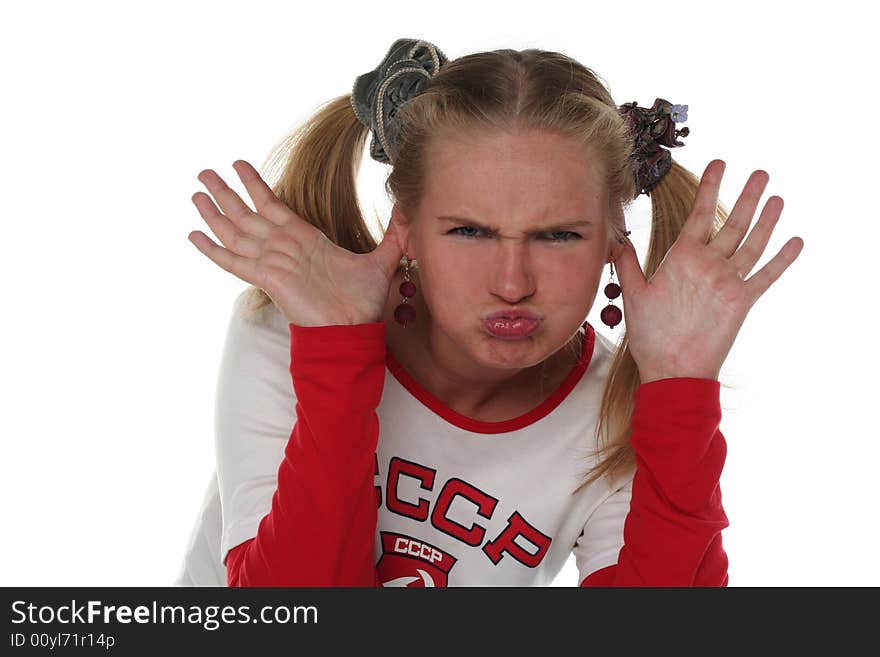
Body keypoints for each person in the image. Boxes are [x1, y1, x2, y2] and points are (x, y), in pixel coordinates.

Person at [174, 39, 803, 587]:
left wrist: (680, 386)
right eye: (469, 231)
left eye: (559, 236)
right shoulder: (291, 328)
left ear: (615, 240)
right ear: (407, 231)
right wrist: (338, 350)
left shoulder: (623, 409)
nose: (512, 284)